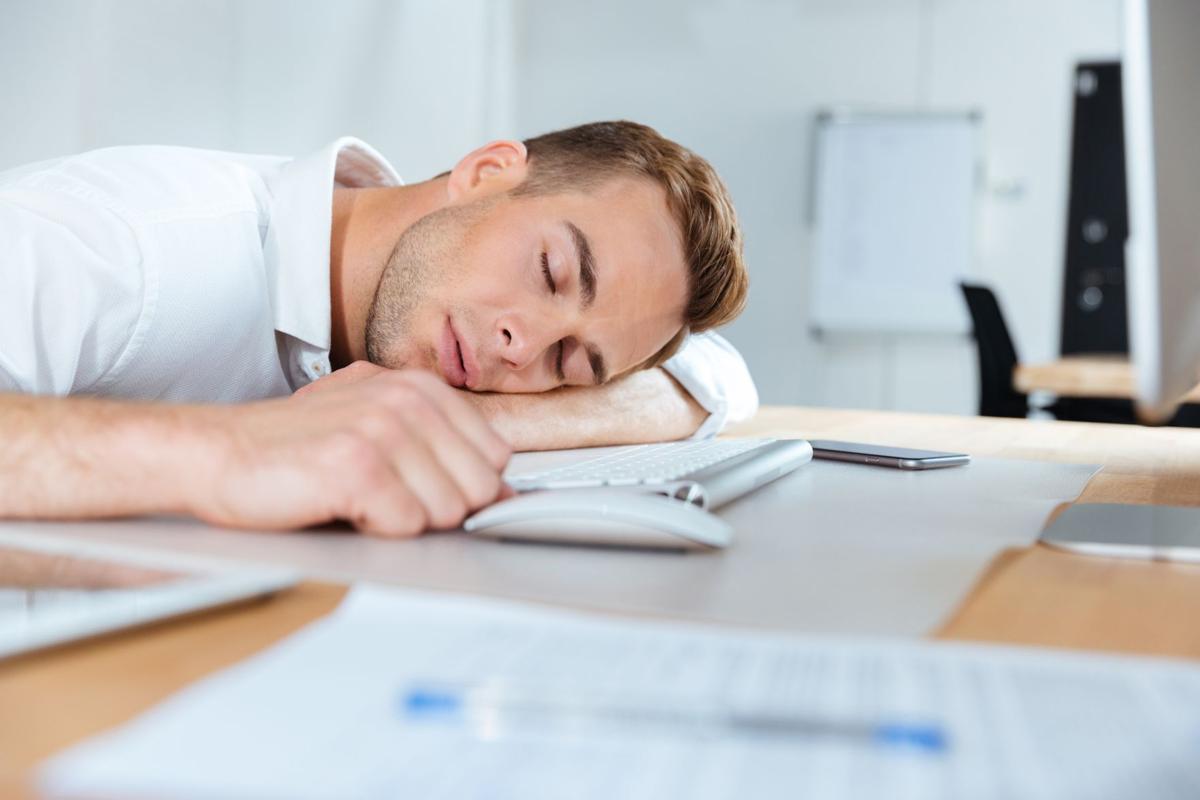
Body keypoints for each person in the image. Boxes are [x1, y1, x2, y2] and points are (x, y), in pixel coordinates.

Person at [0, 121, 756, 537]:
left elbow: (718, 375)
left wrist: (474, 422)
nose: (523, 346)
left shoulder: (434, 319)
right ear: (486, 172)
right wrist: (233, 449)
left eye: (571, 363)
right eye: (552, 271)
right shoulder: (132, 243)